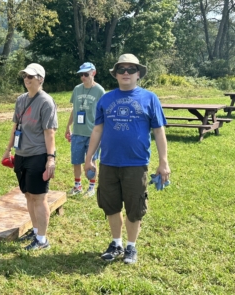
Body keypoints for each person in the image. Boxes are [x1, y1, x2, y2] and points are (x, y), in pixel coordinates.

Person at [84, 54, 170, 264]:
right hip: (109, 163)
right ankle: (116, 243)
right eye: (121, 69)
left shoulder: (150, 98)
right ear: (116, 75)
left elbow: (159, 132)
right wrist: (89, 158)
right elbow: (97, 130)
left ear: (138, 74)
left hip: (136, 164)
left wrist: (163, 162)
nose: (125, 73)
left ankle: (131, 247)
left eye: (130, 69)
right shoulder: (106, 99)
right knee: (110, 205)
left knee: (134, 207)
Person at [2, 63, 58, 250]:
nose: (27, 79)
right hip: (21, 154)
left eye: (31, 76)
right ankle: (35, 232)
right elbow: (15, 127)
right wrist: (8, 150)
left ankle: (42, 240)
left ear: (40, 79)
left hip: (38, 155)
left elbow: (49, 133)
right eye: (25, 76)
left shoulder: (46, 102)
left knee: (39, 197)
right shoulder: (20, 100)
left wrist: (50, 158)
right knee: (28, 195)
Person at [65, 62, 105, 197]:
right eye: (81, 74)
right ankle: (77, 186)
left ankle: (91, 187)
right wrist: (68, 126)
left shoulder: (100, 91)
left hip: (93, 133)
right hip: (77, 132)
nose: (83, 77)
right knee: (76, 160)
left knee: (92, 161)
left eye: (86, 74)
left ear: (93, 73)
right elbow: (74, 109)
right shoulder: (77, 89)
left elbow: (104, 113)